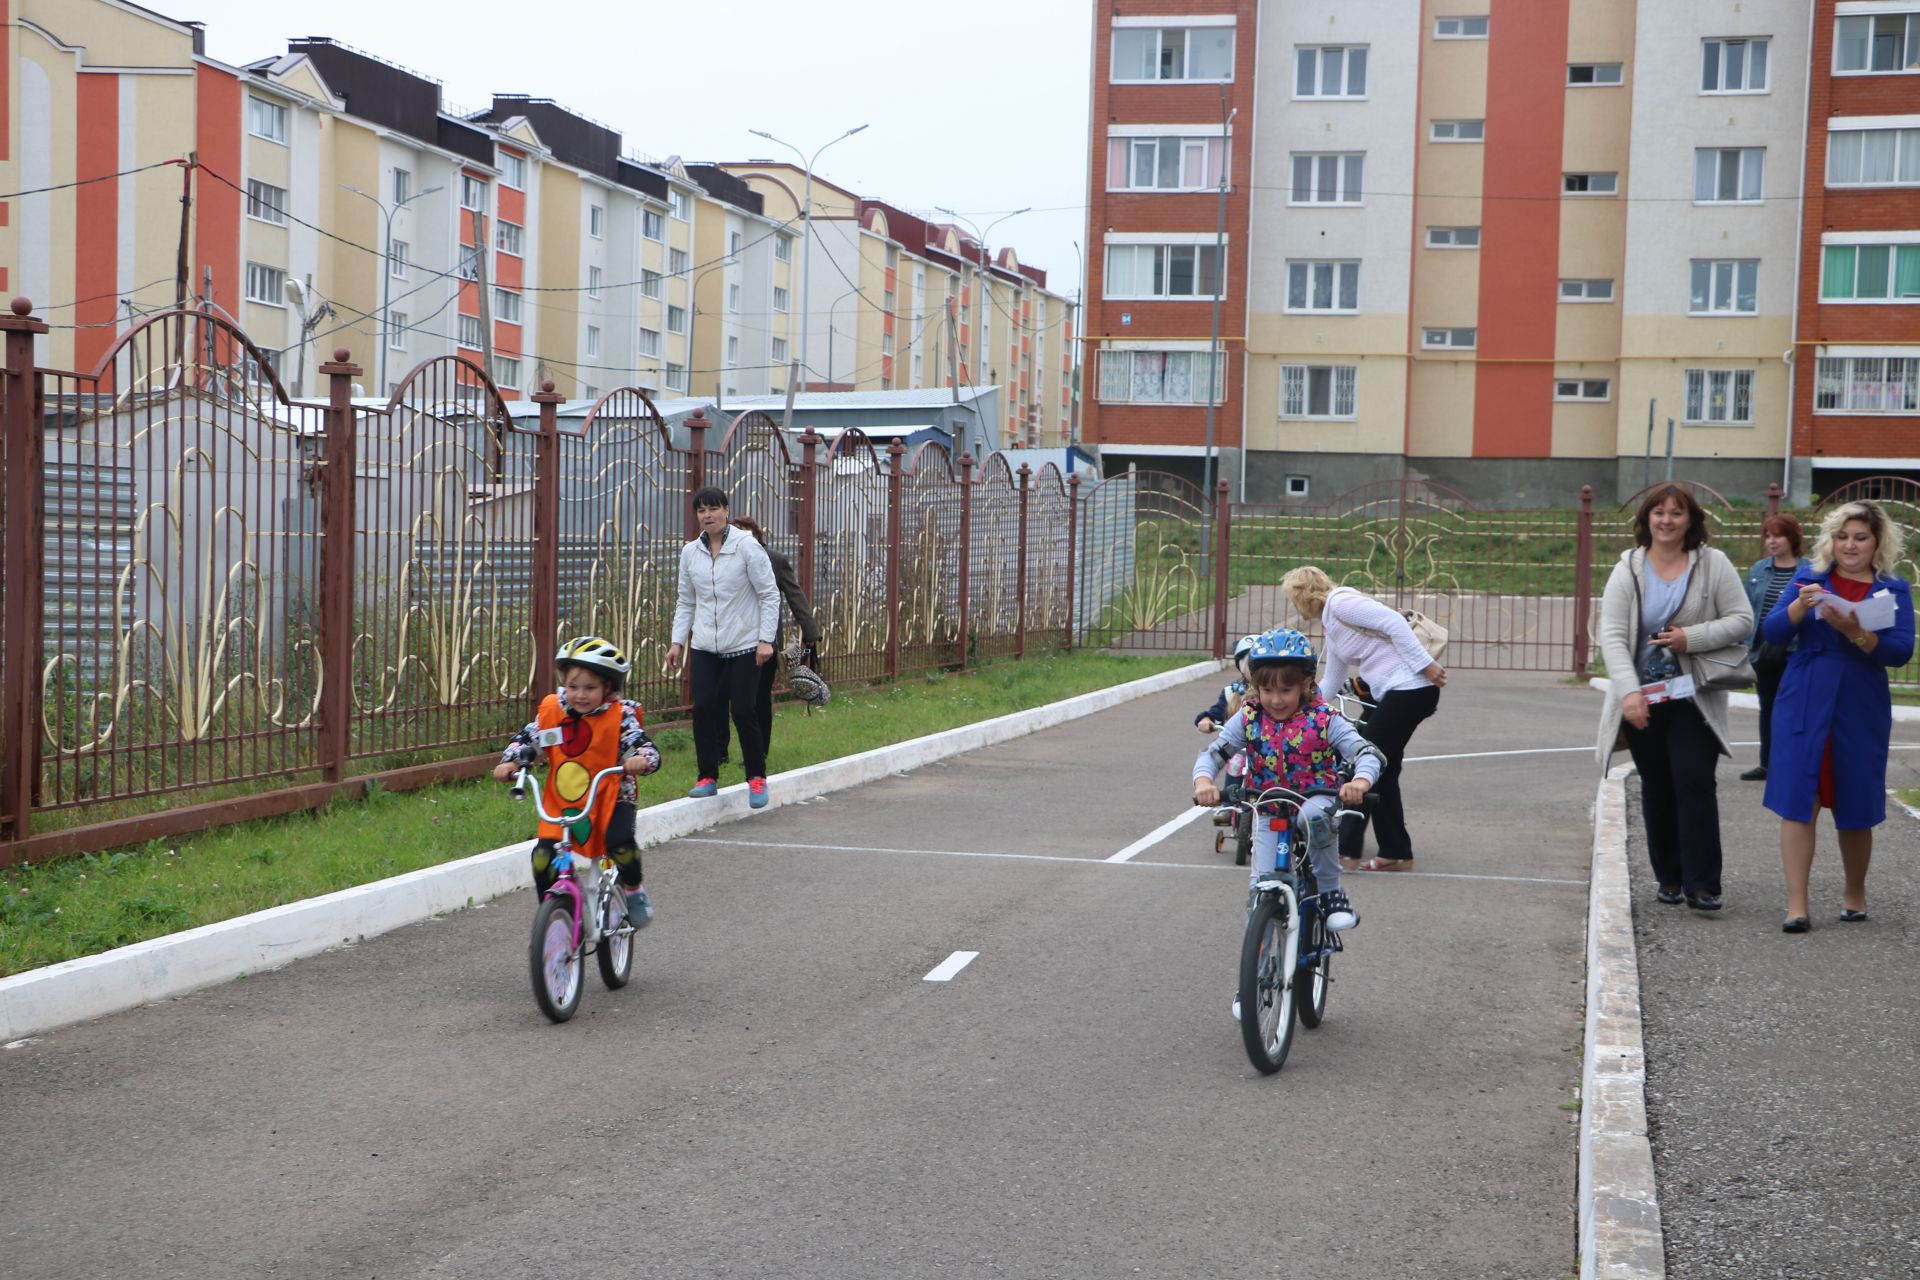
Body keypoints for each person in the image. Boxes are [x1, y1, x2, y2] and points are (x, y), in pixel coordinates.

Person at [1193, 628, 1384, 1020]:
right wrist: (1204, 781)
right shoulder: (1247, 718)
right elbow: (1214, 753)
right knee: (1260, 888)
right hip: (1266, 805)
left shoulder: (1323, 718)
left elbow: (1365, 752)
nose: (1276, 700)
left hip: (1314, 796)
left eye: (1286, 690)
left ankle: (1331, 893)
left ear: (1307, 685)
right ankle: (1256, 974)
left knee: (1314, 818)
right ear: (1255, 688)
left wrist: (1359, 782)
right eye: (1267, 691)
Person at [1594, 483, 1753, 911]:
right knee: (1658, 786)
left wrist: (1691, 638)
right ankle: (1669, 877)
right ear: (1647, 520)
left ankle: (1702, 884)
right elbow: (1611, 637)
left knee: (1695, 780)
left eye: (1676, 513)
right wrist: (1629, 693)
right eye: (1659, 513)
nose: (1667, 520)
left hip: (1693, 695)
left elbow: (1742, 619)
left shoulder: (1713, 564)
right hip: (1643, 698)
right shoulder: (1627, 568)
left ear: (1690, 520)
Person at [1761, 500, 1914, 933]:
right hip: (1804, 695)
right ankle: (1796, 906)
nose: (1850, 545)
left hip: (1859, 701)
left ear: (1877, 542)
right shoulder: (1808, 578)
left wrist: (1857, 633)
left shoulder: (1893, 588)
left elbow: (1901, 650)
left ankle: (1855, 894)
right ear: (1831, 540)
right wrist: (1798, 608)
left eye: (1860, 537)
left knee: (1855, 798)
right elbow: (1772, 632)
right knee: (1798, 797)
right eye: (1842, 536)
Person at [1279, 565, 1444, 873]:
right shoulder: (1334, 624)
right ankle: (1396, 852)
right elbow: (1330, 682)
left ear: (1302, 595)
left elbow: (1395, 622)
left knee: (1362, 762)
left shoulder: (1343, 603)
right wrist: (1295, 713)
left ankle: (1345, 853)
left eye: (1293, 598)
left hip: (1411, 687)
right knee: (1385, 768)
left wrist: (1426, 665)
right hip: (1400, 693)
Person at [494, 636, 662, 925]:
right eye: (573, 687)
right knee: (543, 858)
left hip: (612, 795)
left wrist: (642, 759)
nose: (580, 695)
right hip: (565, 799)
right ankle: (554, 918)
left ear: (607, 687)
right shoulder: (554, 714)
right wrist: (510, 760)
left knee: (620, 842)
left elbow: (644, 745)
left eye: (590, 688)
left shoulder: (619, 716)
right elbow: (529, 740)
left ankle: (634, 890)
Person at [666, 486, 781, 809]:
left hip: (745, 645)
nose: (708, 515)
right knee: (703, 708)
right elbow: (686, 600)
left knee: (744, 710)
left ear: (726, 510)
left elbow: (769, 594)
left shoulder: (747, 547)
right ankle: (707, 776)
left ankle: (756, 777)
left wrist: (765, 640)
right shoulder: (691, 552)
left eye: (714, 508)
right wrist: (677, 642)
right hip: (705, 646)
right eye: (702, 510)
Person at [730, 515, 823, 758]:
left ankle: (758, 752)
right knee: (729, 700)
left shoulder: (775, 560)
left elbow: (795, 596)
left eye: (746, 533)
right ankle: (721, 752)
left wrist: (810, 632)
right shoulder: (723, 560)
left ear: (757, 536)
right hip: (729, 643)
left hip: (765, 643)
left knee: (759, 699)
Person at [1740, 514, 1810, 782]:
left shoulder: (1809, 570)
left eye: (1777, 536)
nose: (1771, 541)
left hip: (1797, 652)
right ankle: (1766, 764)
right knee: (1768, 707)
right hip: (1764, 652)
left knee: (1795, 709)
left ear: (1792, 538)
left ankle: (1793, 764)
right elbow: (1747, 609)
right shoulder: (1759, 570)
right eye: (1767, 536)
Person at [1196, 633, 1260, 733]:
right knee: (1212, 748)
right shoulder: (1231, 693)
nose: (1257, 670)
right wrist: (1207, 720)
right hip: (1237, 745)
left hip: (1269, 744)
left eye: (1262, 665)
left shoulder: (1276, 693)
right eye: (1251, 665)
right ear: (1242, 667)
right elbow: (1216, 713)